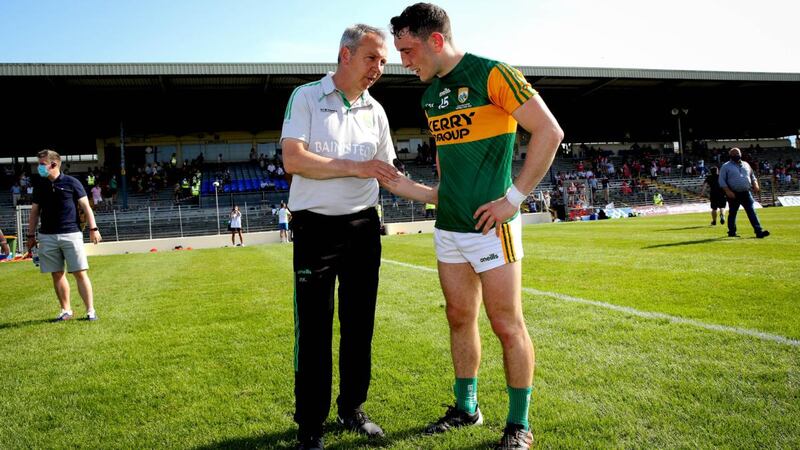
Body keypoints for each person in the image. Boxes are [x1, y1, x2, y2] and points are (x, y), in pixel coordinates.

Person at [390, 4, 563, 449]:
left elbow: (549, 131)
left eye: (408, 50)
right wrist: (423, 190)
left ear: (434, 40)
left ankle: (519, 424)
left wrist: (513, 199)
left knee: (506, 323)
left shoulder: (493, 74)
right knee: (458, 317)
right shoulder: (430, 97)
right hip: (448, 227)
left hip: (491, 226)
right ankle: (467, 408)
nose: (404, 62)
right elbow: (448, 167)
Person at [281, 24, 437, 450]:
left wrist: (438, 197)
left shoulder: (377, 111)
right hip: (315, 227)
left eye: (384, 61)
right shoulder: (307, 97)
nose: (380, 68)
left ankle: (352, 408)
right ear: (345, 55)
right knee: (313, 330)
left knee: (358, 325)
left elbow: (388, 175)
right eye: (373, 58)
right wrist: (356, 166)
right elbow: (293, 160)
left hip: (364, 228)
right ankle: (309, 426)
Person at [27, 149, 102, 321]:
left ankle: (90, 310)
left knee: (80, 272)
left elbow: (86, 207)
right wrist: (31, 236)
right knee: (56, 273)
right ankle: (65, 310)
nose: (39, 167)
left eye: (41, 164)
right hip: (47, 236)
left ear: (53, 164)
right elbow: (34, 212)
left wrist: (93, 229)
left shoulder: (72, 182)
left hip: (71, 234)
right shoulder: (40, 186)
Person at [719, 147, 770, 238]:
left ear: (741, 154)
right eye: (733, 154)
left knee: (752, 212)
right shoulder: (725, 166)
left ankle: (759, 231)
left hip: (746, 192)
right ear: (730, 155)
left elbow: (752, 176)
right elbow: (722, 181)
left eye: (737, 153)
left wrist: (755, 184)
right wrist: (728, 191)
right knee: (733, 213)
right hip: (733, 194)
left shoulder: (746, 164)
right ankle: (732, 231)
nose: (736, 155)